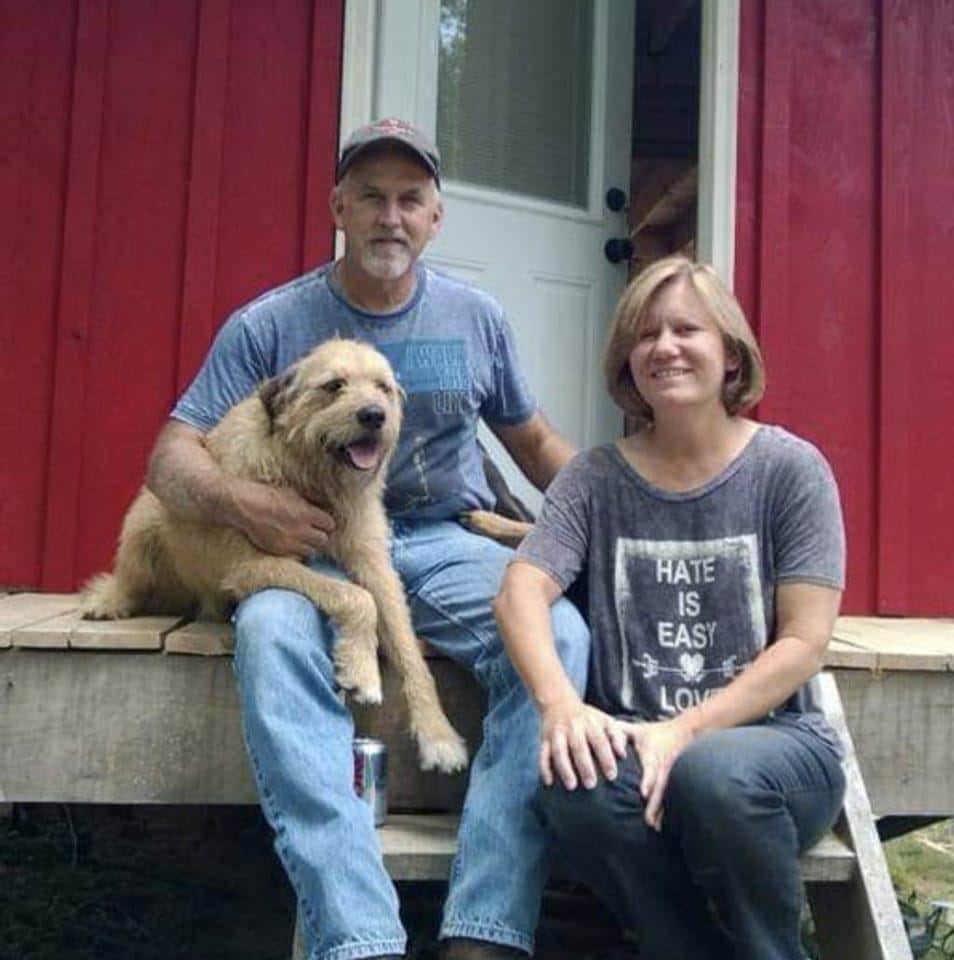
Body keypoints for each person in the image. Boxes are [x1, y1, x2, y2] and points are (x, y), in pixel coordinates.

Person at [145, 118, 589, 960]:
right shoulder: (270, 324)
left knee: (560, 637)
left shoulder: (476, 318)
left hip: (443, 540)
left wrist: (614, 511)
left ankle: (485, 933)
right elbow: (171, 456)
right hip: (304, 543)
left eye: (411, 200)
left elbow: (534, 445)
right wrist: (242, 504)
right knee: (273, 635)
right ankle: (356, 937)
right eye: (373, 198)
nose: (392, 216)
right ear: (338, 207)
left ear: (435, 218)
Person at [494, 256, 846, 960]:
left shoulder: (789, 470)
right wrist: (560, 704)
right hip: (637, 747)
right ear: (628, 362)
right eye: (646, 334)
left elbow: (804, 643)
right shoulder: (595, 478)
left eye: (687, 329)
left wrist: (682, 731)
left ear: (731, 354)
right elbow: (520, 590)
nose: (665, 347)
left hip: (776, 746)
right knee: (573, 788)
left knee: (712, 776)